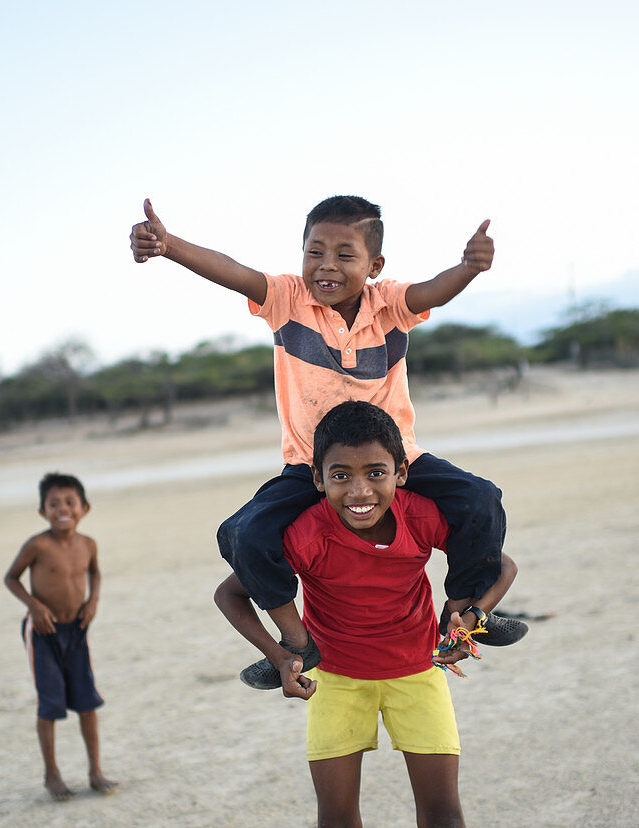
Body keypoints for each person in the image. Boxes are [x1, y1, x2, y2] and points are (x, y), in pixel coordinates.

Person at [214, 401, 540, 828]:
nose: (359, 490)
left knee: (446, 824)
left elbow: (501, 565)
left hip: (417, 676)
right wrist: (283, 657)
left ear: (401, 472)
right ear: (318, 478)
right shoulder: (304, 532)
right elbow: (229, 593)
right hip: (338, 685)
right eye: (341, 476)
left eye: (375, 473)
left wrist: (471, 615)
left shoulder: (423, 515)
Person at [130, 195, 527, 690]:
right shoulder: (286, 299)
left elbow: (433, 292)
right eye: (315, 252)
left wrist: (468, 268)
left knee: (481, 499)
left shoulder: (390, 304)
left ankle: (465, 611)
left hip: (395, 456)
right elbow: (232, 270)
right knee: (241, 535)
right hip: (309, 464)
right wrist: (169, 246)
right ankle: (297, 641)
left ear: (374, 265)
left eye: (345, 254)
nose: (327, 266)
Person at [4, 472, 117, 800]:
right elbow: (11, 578)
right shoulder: (37, 545)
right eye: (53, 504)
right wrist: (34, 606)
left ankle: (95, 772)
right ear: (42, 511)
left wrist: (93, 600)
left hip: (77, 631)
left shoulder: (88, 544)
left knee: (87, 701)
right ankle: (52, 775)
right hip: (43, 633)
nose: (62, 509)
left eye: (69, 502)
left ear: (84, 508)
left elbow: (95, 572)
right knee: (49, 702)